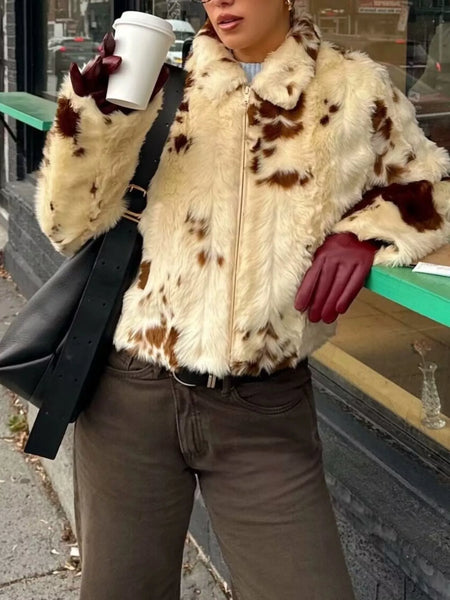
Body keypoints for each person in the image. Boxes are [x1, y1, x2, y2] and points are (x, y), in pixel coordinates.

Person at [35, 0, 450, 598]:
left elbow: (432, 184)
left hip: (264, 406)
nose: (220, 1)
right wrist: (92, 117)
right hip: (131, 394)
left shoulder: (355, 88)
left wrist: (365, 231)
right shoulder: (164, 86)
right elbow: (65, 226)